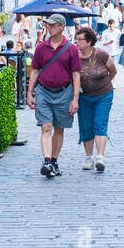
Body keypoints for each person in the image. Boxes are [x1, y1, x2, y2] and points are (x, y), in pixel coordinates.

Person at [26, 13, 82, 179]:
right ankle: (47, 161)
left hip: (64, 92)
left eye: (52, 25)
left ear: (62, 27)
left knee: (59, 128)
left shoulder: (71, 49)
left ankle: (54, 161)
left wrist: (75, 99)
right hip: (44, 91)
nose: (49, 28)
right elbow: (35, 71)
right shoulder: (42, 47)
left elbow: (76, 75)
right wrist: (30, 93)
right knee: (46, 127)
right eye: (48, 25)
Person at [74, 26, 116, 171]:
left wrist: (103, 84)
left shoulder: (101, 55)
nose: (77, 42)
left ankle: (100, 158)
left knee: (100, 123)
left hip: (103, 95)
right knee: (86, 126)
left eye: (80, 39)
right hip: (84, 97)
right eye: (76, 39)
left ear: (89, 42)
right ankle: (88, 158)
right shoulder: (74, 56)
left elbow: (113, 70)